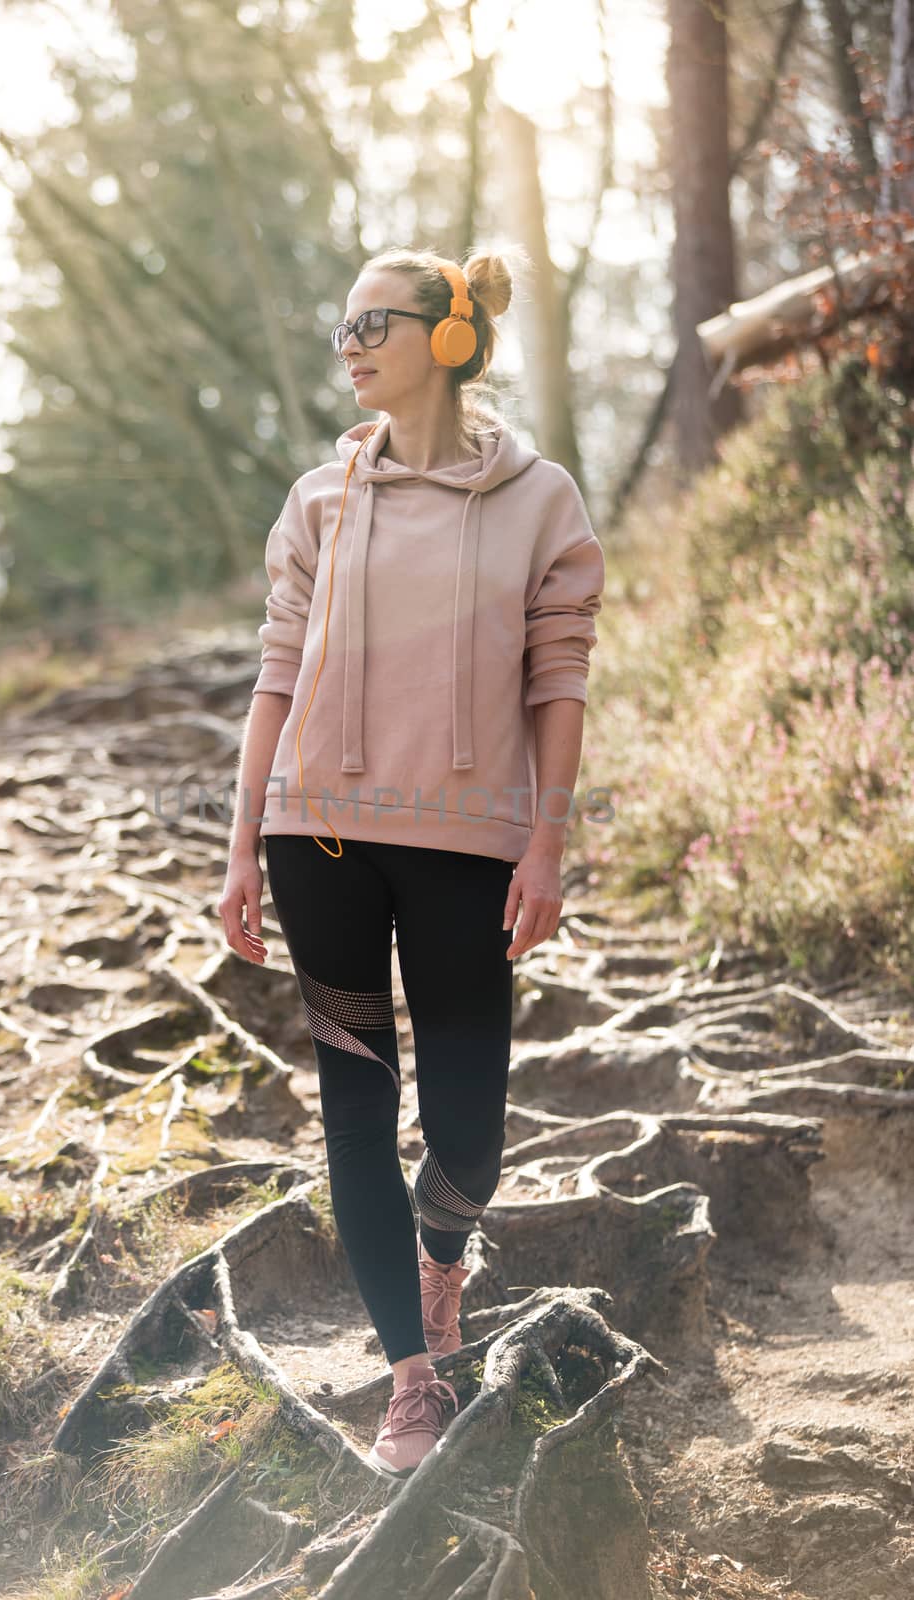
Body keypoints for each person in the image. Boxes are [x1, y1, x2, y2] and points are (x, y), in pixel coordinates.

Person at [220, 246, 605, 1478]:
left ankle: (445, 1254)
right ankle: (409, 1371)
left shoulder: (539, 499)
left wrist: (544, 837)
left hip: (466, 845)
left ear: (444, 336)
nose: (348, 343)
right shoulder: (315, 500)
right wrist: (241, 844)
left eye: (371, 322)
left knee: (470, 1124)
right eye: (340, 326)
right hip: (316, 837)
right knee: (351, 1108)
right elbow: (275, 678)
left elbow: (559, 679)